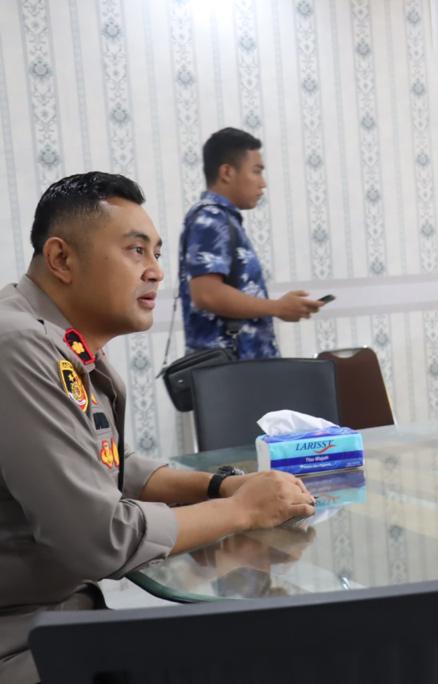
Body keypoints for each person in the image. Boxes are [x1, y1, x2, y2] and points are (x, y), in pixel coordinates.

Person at [0, 172, 317, 683]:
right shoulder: (19, 346)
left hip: (60, 617)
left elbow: (109, 462)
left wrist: (219, 485)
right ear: (61, 259)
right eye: (136, 251)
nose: (156, 271)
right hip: (20, 643)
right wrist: (242, 509)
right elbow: (99, 538)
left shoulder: (58, 340)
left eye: (157, 253)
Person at [179, 127, 323, 359]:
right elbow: (206, 294)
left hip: (239, 368)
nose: (262, 183)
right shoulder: (210, 219)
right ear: (227, 172)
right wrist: (277, 307)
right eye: (256, 171)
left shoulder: (222, 219)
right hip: (228, 372)